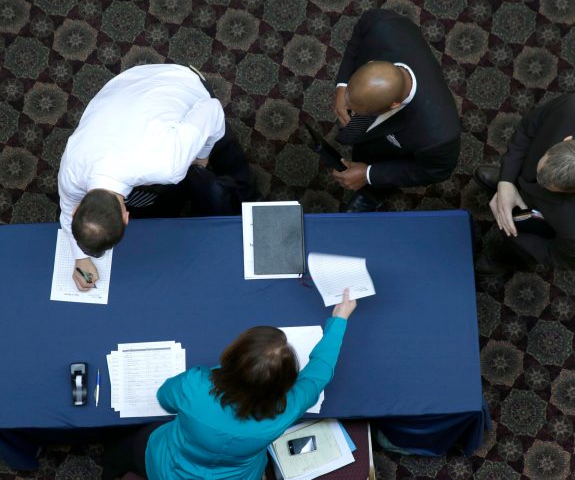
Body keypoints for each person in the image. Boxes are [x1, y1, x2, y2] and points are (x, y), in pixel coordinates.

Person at [100, 289, 357, 480]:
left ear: (232, 356)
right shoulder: (288, 407)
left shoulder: (195, 384)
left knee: (118, 449)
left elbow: (164, 398)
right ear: (284, 383)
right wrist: (339, 319)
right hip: (239, 475)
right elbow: (319, 373)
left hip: (170, 468)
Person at [58, 64, 257, 291]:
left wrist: (202, 156)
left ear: (126, 218)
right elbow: (66, 209)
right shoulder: (71, 170)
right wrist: (80, 258)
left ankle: (247, 199)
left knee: (229, 164)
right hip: (124, 93)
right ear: (125, 217)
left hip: (180, 85)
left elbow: (212, 110)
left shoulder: (167, 163)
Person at [473, 92, 575, 273]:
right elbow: (527, 129)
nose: (537, 185)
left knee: (519, 252)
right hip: (519, 183)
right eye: (541, 168)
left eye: (550, 188)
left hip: (539, 226)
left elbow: (558, 258)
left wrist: (511, 231)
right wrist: (506, 181)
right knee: (515, 181)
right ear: (567, 139)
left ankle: (508, 258)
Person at [332, 9, 461, 212]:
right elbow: (360, 32)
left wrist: (369, 174)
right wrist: (341, 87)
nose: (347, 110)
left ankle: (373, 190)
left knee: (383, 155)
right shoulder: (383, 25)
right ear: (372, 64)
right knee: (362, 136)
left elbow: (436, 171)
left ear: (393, 106)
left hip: (404, 144)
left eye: (358, 111)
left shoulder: (439, 136)